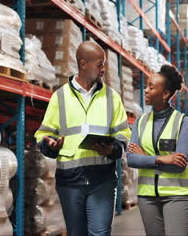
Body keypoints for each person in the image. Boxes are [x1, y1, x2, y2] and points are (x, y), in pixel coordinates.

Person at [35, 41, 131, 236]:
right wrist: (50, 145)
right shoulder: (60, 97)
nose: (103, 69)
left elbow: (123, 134)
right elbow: (43, 133)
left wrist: (112, 150)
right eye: (100, 64)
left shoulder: (112, 98)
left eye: (104, 64)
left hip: (102, 179)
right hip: (70, 182)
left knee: (100, 233)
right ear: (83, 64)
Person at [127, 64, 188, 236]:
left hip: (176, 195)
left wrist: (146, 158)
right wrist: (161, 159)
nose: (146, 90)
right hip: (147, 197)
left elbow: (179, 164)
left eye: (151, 87)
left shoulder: (182, 122)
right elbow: (132, 159)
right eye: (146, 86)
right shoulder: (140, 122)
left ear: (165, 94)